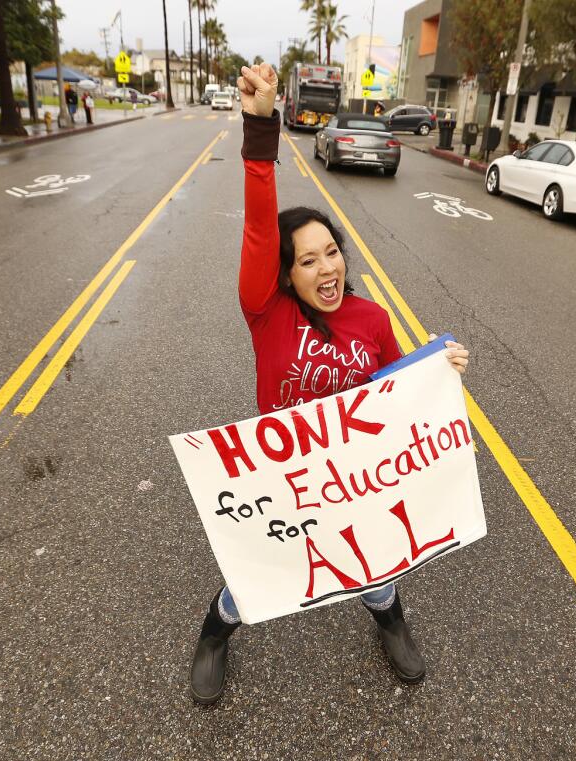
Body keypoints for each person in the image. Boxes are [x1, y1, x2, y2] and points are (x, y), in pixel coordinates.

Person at [188, 62, 470, 706]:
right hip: (283, 474)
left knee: (372, 565)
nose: (326, 267)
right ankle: (215, 635)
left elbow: (390, 390)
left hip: (354, 473)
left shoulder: (371, 317)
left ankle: (390, 619)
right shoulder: (267, 311)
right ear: (285, 275)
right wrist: (261, 125)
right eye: (308, 259)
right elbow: (261, 224)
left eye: (333, 252)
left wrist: (434, 369)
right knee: (257, 569)